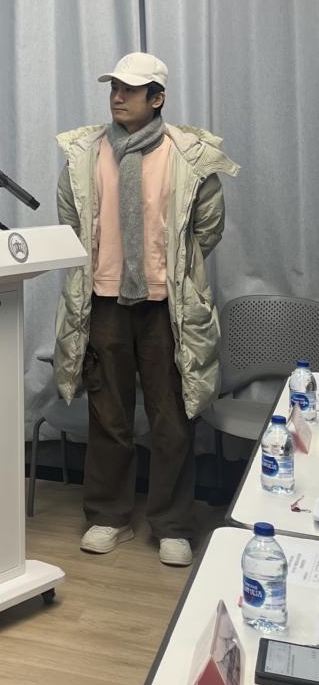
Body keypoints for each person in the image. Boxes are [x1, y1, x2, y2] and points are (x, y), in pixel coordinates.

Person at [53, 53, 239, 567]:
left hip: (166, 306)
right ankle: (109, 516)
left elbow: (207, 228)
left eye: (130, 90)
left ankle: (172, 524)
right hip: (103, 301)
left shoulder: (189, 155)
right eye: (113, 87)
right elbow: (71, 220)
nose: (118, 97)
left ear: (157, 98)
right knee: (107, 414)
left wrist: (167, 273)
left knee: (172, 417)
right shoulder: (85, 153)